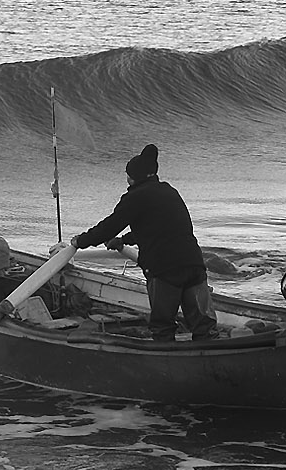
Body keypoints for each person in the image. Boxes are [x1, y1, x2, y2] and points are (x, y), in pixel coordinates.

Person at [73, 144, 218, 342]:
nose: (127, 179)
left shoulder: (135, 197)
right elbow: (160, 227)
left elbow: (109, 227)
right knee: (205, 327)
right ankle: (208, 359)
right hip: (194, 264)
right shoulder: (170, 192)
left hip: (165, 270)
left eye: (128, 175)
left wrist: (81, 241)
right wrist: (124, 240)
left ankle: (166, 364)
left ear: (134, 177)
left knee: (163, 327)